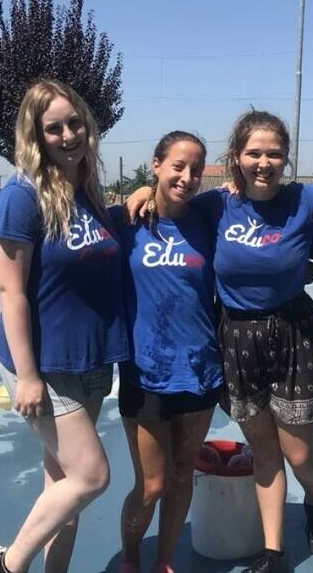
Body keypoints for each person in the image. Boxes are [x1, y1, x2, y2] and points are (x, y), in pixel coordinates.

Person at [127, 111, 313, 573]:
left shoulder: (307, 200)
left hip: (293, 335)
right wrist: (146, 189)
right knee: (264, 452)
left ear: (287, 159)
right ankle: (274, 552)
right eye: (254, 153)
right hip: (235, 335)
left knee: (300, 454)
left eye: (273, 153)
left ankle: (312, 496)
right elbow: (172, 200)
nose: (263, 162)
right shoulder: (216, 205)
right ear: (237, 157)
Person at [0, 80, 129, 573]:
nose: (68, 135)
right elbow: (11, 291)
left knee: (63, 490)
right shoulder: (20, 198)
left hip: (88, 359)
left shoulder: (86, 191)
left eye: (75, 123)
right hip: (43, 366)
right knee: (91, 476)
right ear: (35, 135)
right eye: (54, 128)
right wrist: (26, 375)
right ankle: (8, 566)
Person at [110, 131, 222, 573]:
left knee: (181, 473)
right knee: (152, 483)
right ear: (155, 165)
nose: (188, 177)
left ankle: (165, 561)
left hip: (199, 370)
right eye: (178, 166)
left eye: (196, 169)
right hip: (144, 372)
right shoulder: (126, 220)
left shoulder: (209, 220)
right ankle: (132, 561)